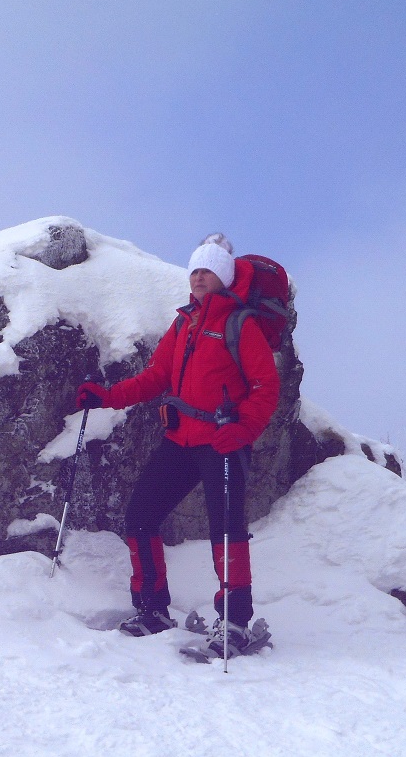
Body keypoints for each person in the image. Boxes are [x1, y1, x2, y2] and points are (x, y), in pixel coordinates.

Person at [74, 233, 280, 655]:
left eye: (208, 270)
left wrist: (243, 430)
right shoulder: (184, 322)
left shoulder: (240, 324)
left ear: (223, 277)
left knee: (227, 533)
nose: (200, 276)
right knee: (141, 515)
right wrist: (107, 396)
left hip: (223, 442)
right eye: (195, 270)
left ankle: (235, 625)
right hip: (181, 439)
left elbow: (266, 386)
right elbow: (154, 377)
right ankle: (152, 610)